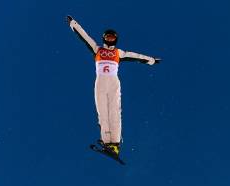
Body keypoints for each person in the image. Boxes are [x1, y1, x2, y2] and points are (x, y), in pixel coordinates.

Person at [67, 15, 161, 157]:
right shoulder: (97, 49)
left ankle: (115, 144)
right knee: (102, 112)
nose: (110, 40)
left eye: (112, 38)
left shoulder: (119, 53)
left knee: (114, 112)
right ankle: (107, 142)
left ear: (115, 39)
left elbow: (135, 56)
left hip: (113, 83)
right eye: (108, 37)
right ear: (104, 38)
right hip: (100, 82)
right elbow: (84, 37)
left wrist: (151, 60)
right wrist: (73, 24)